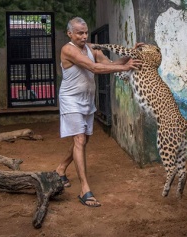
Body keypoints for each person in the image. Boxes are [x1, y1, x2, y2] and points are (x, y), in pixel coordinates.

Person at [55, 17, 143, 207]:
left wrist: (130, 55)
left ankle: (61, 169)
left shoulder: (91, 50)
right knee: (79, 140)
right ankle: (85, 190)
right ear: (70, 33)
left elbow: (111, 64)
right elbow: (94, 68)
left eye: (86, 32)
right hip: (71, 100)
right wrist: (124, 67)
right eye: (80, 33)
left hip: (87, 100)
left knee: (83, 140)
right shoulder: (68, 49)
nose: (84, 36)